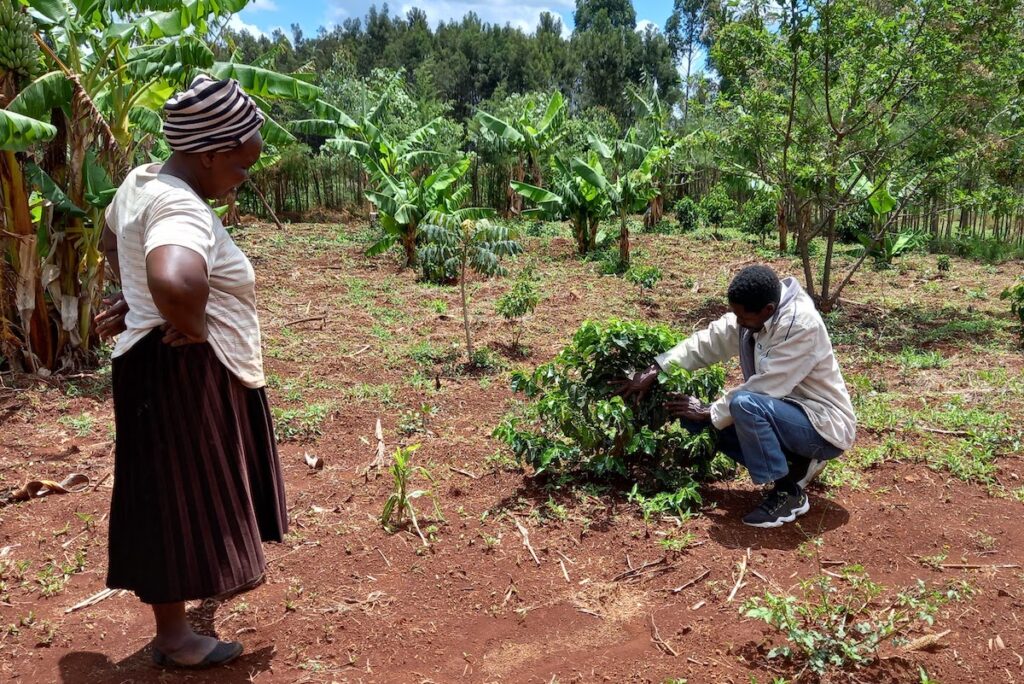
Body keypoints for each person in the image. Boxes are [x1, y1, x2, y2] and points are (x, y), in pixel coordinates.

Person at [93, 74, 287, 669]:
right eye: (240, 165)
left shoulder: (142, 181)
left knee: (174, 489)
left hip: (154, 362)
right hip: (179, 368)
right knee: (176, 495)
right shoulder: (180, 204)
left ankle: (183, 613)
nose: (244, 177)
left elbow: (111, 236)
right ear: (207, 154)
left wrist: (134, 295)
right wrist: (190, 319)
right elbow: (177, 277)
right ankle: (175, 640)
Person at [618, 265, 856, 528]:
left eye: (742, 317)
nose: (738, 322)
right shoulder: (756, 316)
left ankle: (788, 493)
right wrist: (656, 368)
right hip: (788, 414)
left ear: (767, 309)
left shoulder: (800, 325)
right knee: (694, 415)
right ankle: (799, 464)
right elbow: (708, 341)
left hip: (822, 426)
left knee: (743, 406)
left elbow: (766, 387)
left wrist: (709, 409)